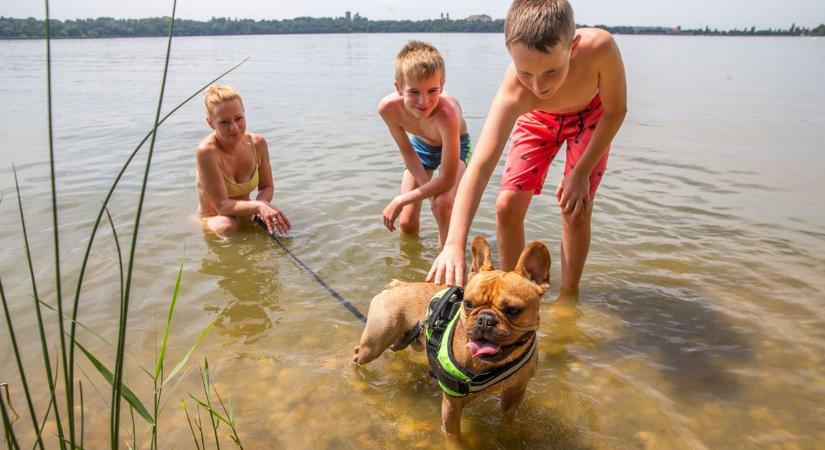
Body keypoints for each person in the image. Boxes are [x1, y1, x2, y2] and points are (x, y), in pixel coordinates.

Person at [427, 0, 627, 312]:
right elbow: (478, 168)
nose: (538, 85)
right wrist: (454, 242)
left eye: (551, 71)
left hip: (592, 117)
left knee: (575, 208)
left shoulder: (600, 47)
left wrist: (580, 174)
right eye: (525, 72)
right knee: (506, 206)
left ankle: (568, 298)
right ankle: (512, 294)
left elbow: (616, 111)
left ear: (572, 48)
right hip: (538, 120)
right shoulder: (517, 92)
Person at [378, 40, 471, 247]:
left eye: (432, 90)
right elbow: (408, 153)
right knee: (407, 222)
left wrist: (400, 200)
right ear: (399, 88)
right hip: (422, 146)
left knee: (442, 204)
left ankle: (446, 263)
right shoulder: (388, 109)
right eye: (414, 92)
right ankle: (410, 268)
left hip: (456, 144)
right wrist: (424, 192)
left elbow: (446, 180)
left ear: (442, 86)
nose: (424, 101)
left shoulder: (448, 116)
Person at [195, 84, 291, 237]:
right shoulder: (206, 152)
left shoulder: (258, 143)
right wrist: (258, 206)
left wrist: (261, 207)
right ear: (210, 122)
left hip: (246, 211)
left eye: (238, 118)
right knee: (228, 226)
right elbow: (221, 206)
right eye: (224, 122)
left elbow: (267, 187)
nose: (234, 127)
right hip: (216, 218)